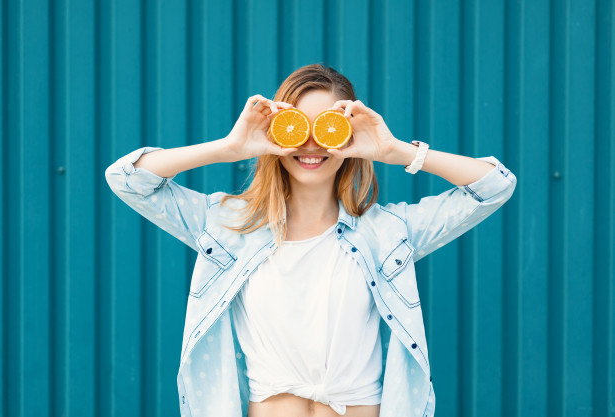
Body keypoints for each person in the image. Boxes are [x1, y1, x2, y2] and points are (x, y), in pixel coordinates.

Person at [105, 63, 517, 417]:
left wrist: (397, 151)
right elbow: (128, 179)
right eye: (297, 125)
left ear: (350, 134)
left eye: (329, 127)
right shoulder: (228, 226)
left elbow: (495, 186)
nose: (312, 143)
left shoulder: (389, 232)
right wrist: (231, 147)